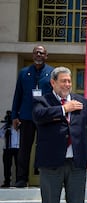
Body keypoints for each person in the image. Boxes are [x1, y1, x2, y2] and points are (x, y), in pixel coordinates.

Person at [32, 67, 87, 203]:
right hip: (51, 161)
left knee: (76, 200)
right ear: (53, 82)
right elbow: (38, 116)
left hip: (77, 161)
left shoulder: (81, 101)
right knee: (50, 201)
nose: (67, 84)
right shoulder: (42, 100)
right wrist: (63, 108)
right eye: (63, 81)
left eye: (69, 81)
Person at [12, 45, 53, 188]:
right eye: (36, 52)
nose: (39, 55)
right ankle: (21, 179)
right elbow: (18, 95)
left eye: (42, 53)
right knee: (24, 149)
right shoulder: (24, 73)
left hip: (45, 117)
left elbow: (54, 96)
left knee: (44, 148)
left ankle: (45, 178)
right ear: (32, 55)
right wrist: (14, 116)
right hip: (26, 116)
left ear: (46, 56)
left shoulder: (51, 72)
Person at [0, 111, 19, 188]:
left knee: (19, 166)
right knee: (7, 166)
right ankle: (7, 181)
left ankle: (19, 181)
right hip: (7, 149)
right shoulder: (5, 128)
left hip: (17, 148)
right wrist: (6, 126)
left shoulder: (18, 126)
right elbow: (1, 135)